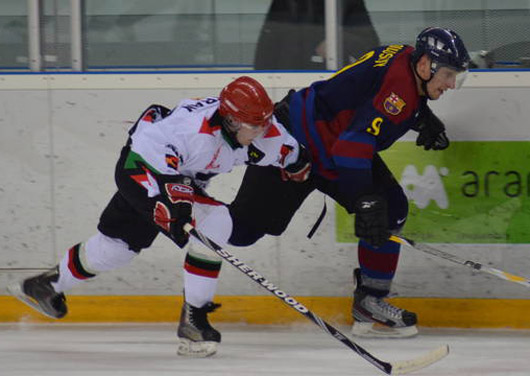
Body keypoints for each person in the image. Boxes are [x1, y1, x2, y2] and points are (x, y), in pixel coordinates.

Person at [8, 76, 311, 357]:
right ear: (231, 120)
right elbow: (141, 158)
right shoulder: (189, 131)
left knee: (116, 250)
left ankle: (47, 284)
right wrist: (172, 201)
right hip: (143, 170)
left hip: (183, 179)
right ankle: (194, 321)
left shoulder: (262, 132)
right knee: (214, 222)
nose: (263, 130)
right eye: (255, 125)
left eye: (265, 122)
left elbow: (290, 152)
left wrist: (298, 163)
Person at [229, 27, 470, 338]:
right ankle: (190, 210)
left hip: (331, 146)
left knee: (391, 208)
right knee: (242, 232)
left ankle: (371, 302)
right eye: (448, 75)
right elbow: (353, 145)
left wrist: (420, 116)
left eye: (456, 77)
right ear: (425, 65)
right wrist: (363, 199)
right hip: (294, 144)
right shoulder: (399, 91)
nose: (451, 84)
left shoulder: (404, 57)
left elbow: (364, 98)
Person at [254, 0, 380, 70]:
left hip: (329, 86)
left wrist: (339, 41)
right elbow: (265, 50)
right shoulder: (286, 3)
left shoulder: (345, 2)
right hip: (289, 83)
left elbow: (370, 45)